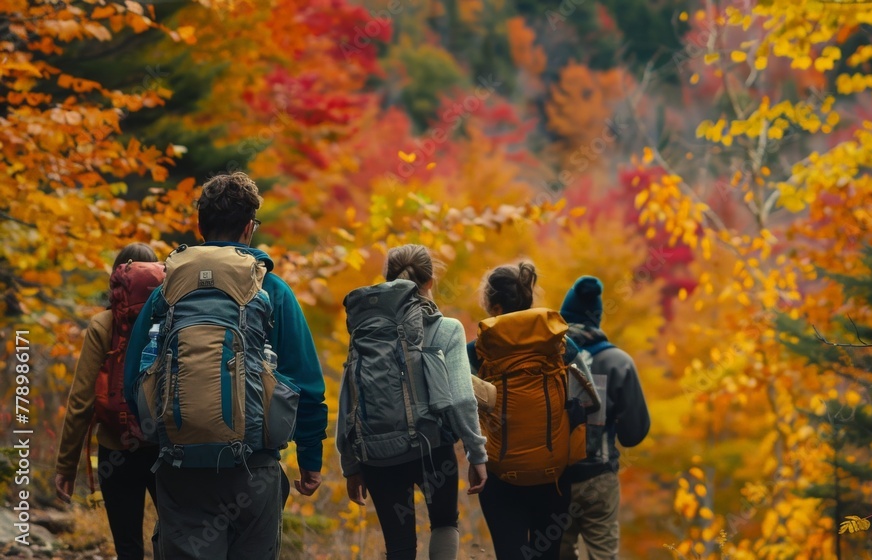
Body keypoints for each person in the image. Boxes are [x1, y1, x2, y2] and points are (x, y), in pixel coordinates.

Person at [123, 172, 327, 559]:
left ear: (200, 226)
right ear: (250, 227)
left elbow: (133, 379)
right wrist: (310, 458)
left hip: (180, 468)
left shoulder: (166, 291)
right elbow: (306, 385)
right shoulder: (271, 289)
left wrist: (167, 429)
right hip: (253, 469)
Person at [338, 244, 488, 560]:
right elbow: (462, 398)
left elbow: (347, 396)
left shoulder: (365, 331)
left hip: (377, 454)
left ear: (387, 279)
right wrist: (477, 452)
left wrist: (350, 463)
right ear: (430, 281)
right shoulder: (447, 328)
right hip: (432, 449)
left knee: (400, 546)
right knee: (445, 524)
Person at [468, 262, 588, 560]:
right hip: (555, 475)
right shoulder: (561, 342)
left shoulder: (476, 350)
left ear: (493, 305)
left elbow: (463, 407)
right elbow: (590, 400)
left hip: (498, 474)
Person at [55, 243, 163, 560]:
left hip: (117, 450)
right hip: (165, 449)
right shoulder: (172, 322)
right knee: (176, 541)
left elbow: (80, 401)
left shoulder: (103, 325)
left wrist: (66, 465)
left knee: (128, 548)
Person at [558, 276, 650, 560]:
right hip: (599, 476)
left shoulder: (548, 357)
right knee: (603, 555)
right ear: (597, 318)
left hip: (554, 477)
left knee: (556, 551)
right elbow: (634, 433)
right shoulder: (617, 361)